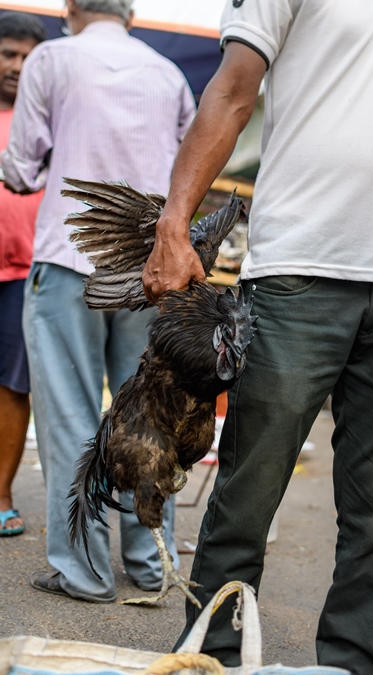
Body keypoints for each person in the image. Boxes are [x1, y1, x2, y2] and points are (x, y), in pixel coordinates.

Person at [141, 1, 373, 673]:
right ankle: (211, 656)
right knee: (248, 494)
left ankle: (348, 661)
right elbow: (231, 90)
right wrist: (174, 222)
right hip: (296, 275)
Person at [1, 0, 196, 603]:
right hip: (148, 274)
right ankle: (151, 563)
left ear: (70, 10)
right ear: (130, 14)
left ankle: (83, 572)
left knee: (70, 419)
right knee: (150, 418)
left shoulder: (53, 60)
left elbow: (24, 168)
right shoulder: (168, 75)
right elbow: (190, 166)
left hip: (68, 264)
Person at [0, 11, 47, 537]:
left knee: (13, 387)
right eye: (9, 54)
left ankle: (1, 497)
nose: (18, 66)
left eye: (30, 56)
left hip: (26, 269)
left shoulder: (46, 116)